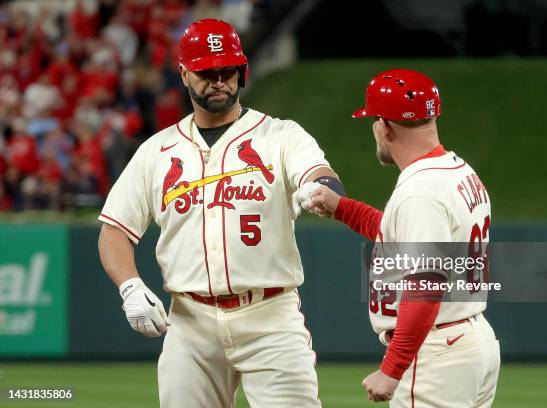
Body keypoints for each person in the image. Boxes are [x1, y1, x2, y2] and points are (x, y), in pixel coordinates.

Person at [97, 18, 344, 408]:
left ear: (241, 71)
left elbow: (319, 173)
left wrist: (319, 188)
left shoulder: (281, 136)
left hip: (270, 317)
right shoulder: (157, 151)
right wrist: (130, 287)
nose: (218, 80)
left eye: (227, 70)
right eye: (206, 72)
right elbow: (114, 230)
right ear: (184, 74)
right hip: (190, 323)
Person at [305, 69, 500, 407]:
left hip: (437, 352)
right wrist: (342, 208)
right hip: (469, 340)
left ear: (383, 125)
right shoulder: (457, 170)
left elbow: (425, 286)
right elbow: (404, 236)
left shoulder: (419, 192)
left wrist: (392, 370)